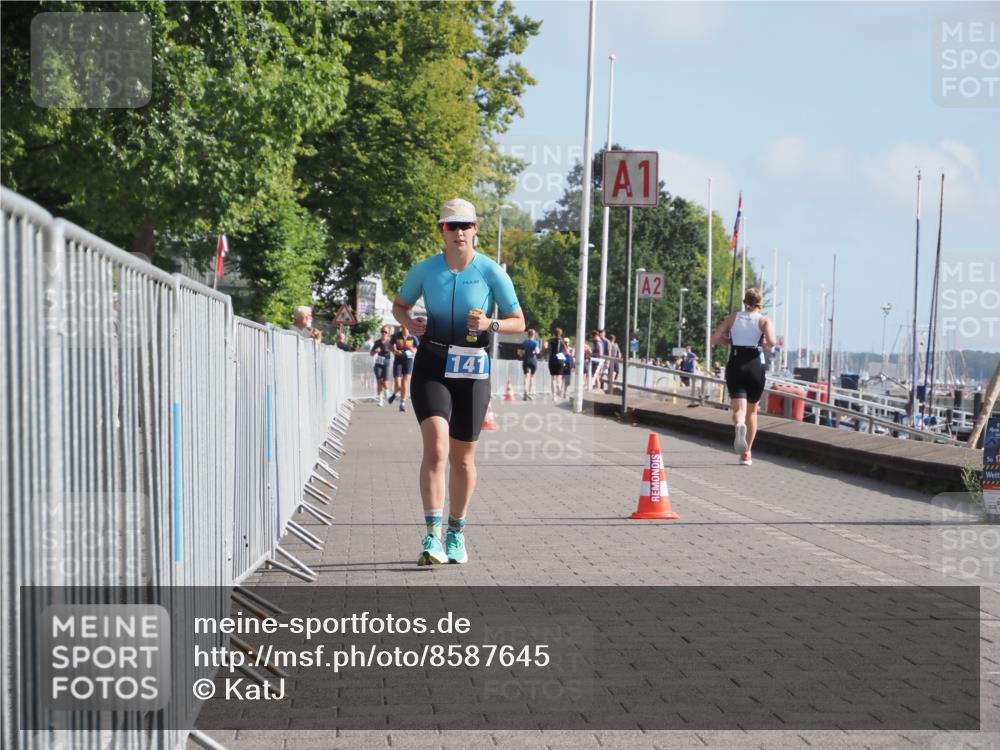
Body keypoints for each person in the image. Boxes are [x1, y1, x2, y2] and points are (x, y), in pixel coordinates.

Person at [392, 198, 525, 566]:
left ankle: (456, 532)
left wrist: (490, 324)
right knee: (436, 448)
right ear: (442, 231)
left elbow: (518, 321)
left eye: (466, 225)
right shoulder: (424, 270)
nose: (460, 232)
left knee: (463, 459)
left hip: (472, 370)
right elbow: (400, 305)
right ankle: (432, 535)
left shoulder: (491, 271)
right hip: (432, 364)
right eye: (452, 226)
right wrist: (409, 323)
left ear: (476, 229)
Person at [711, 287, 777, 466]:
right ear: (760, 302)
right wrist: (763, 342)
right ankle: (747, 454)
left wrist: (731, 341)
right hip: (755, 365)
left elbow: (715, 338)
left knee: (739, 411)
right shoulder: (764, 320)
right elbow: (772, 342)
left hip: (736, 363)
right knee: (752, 411)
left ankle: (739, 425)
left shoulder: (734, 317)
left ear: (745, 301)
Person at [388, 324, 419, 412]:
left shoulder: (413, 337)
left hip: (408, 361)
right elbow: (389, 347)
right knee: (398, 384)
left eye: (406, 326)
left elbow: (417, 348)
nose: (405, 328)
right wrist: (394, 351)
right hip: (398, 361)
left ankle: (402, 403)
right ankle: (394, 394)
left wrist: (413, 350)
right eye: (403, 326)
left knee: (404, 383)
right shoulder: (396, 336)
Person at [370, 326, 394, 406]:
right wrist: (375, 351)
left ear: (388, 333)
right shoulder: (377, 342)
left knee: (385, 382)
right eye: (382, 331)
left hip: (386, 363)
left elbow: (394, 351)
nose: (384, 333)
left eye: (385, 332)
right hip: (378, 364)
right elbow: (371, 353)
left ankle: (387, 393)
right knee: (379, 381)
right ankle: (380, 400)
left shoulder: (390, 342)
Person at [517, 329, 540, 400]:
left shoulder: (524, 342)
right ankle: (530, 393)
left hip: (525, 360)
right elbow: (537, 351)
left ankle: (525, 391)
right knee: (532, 377)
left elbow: (520, 352)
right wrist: (535, 351)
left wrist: (522, 354)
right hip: (533, 360)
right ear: (533, 335)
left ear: (528, 334)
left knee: (526, 376)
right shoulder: (535, 342)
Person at [545, 326, 567, 400]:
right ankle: (559, 387)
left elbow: (547, 348)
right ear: (561, 333)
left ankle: (554, 396)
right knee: (559, 377)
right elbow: (566, 351)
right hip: (560, 359)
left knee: (553, 378)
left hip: (552, 358)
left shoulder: (551, 340)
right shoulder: (563, 341)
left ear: (554, 333)